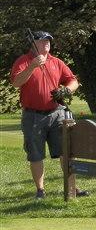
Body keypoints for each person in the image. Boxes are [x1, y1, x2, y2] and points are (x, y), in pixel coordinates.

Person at [10, 31, 83, 200]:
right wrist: (32, 66)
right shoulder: (23, 61)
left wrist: (66, 90)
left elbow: (73, 81)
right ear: (33, 43)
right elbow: (16, 82)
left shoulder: (56, 62)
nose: (47, 43)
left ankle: (72, 188)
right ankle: (40, 190)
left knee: (66, 151)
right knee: (35, 153)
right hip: (33, 115)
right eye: (43, 41)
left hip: (57, 113)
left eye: (48, 40)